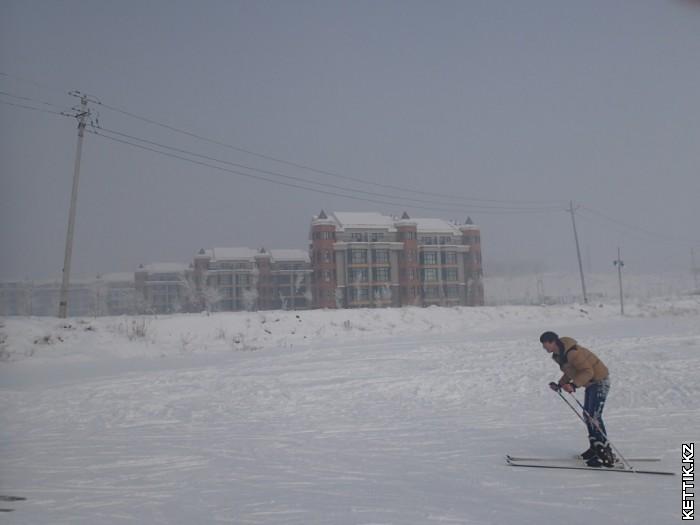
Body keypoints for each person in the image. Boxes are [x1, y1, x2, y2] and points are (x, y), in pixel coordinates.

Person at [540, 331, 614, 467]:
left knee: (594, 416)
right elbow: (570, 372)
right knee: (588, 415)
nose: (544, 348)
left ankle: (605, 452)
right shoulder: (559, 355)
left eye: (545, 345)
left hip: (599, 381)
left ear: (552, 342)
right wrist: (560, 384)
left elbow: (588, 371)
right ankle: (595, 448)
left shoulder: (573, 352)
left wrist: (573, 385)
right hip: (590, 384)